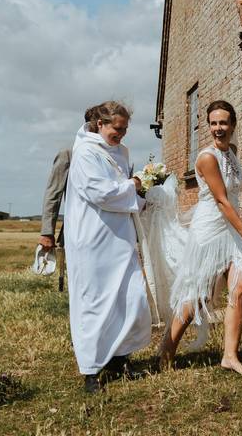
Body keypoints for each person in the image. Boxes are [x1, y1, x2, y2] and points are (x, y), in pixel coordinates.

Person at [158, 100, 242, 376]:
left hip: (231, 226)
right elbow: (220, 199)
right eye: (214, 123)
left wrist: (240, 232)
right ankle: (166, 350)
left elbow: (232, 200)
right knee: (197, 296)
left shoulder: (233, 152)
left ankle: (230, 356)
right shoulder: (207, 158)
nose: (218, 128)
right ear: (209, 126)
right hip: (210, 230)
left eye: (223, 123)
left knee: (240, 289)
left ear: (233, 125)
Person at [62, 100, 151, 393]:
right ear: (100, 124)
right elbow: (99, 192)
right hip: (93, 239)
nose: (122, 135)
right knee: (94, 303)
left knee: (129, 297)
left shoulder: (121, 152)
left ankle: (119, 359)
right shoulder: (85, 153)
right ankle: (91, 370)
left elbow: (122, 192)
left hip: (121, 238)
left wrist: (143, 196)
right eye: (117, 129)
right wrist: (134, 187)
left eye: (125, 129)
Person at [38, 105, 100, 252]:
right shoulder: (69, 153)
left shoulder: (116, 154)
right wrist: (47, 232)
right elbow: (53, 193)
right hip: (78, 229)